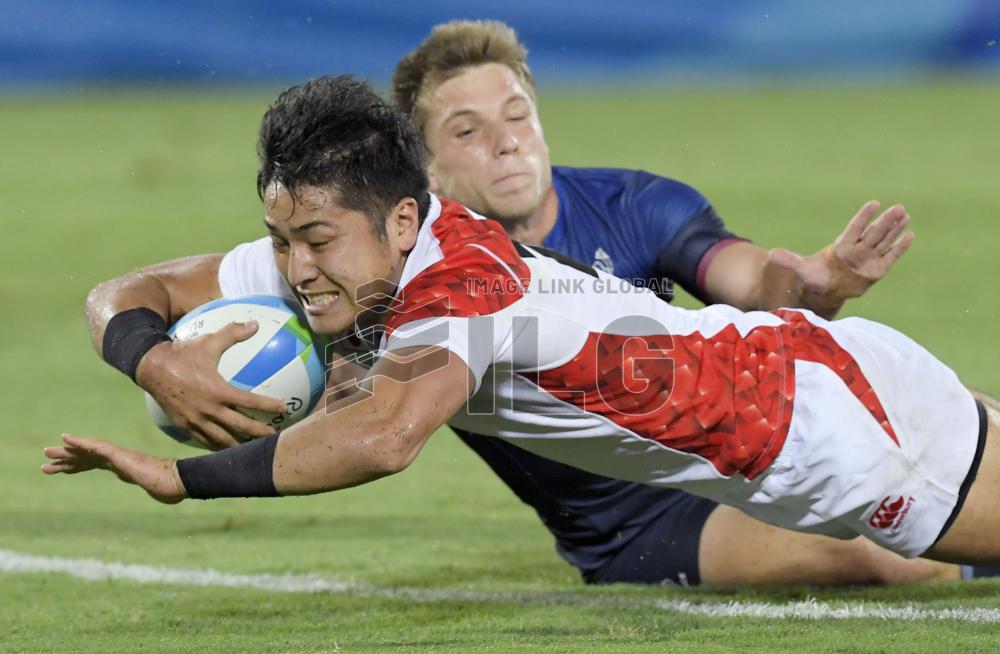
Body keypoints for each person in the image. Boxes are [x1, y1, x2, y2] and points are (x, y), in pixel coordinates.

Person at [81, 21, 967, 587]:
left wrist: (179, 477)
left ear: (401, 215)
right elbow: (126, 292)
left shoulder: (466, 272)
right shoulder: (350, 248)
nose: (295, 266)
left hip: (817, 430)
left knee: (908, 560)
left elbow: (386, 434)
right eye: (283, 242)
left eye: (313, 242)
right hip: (769, 438)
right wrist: (155, 359)